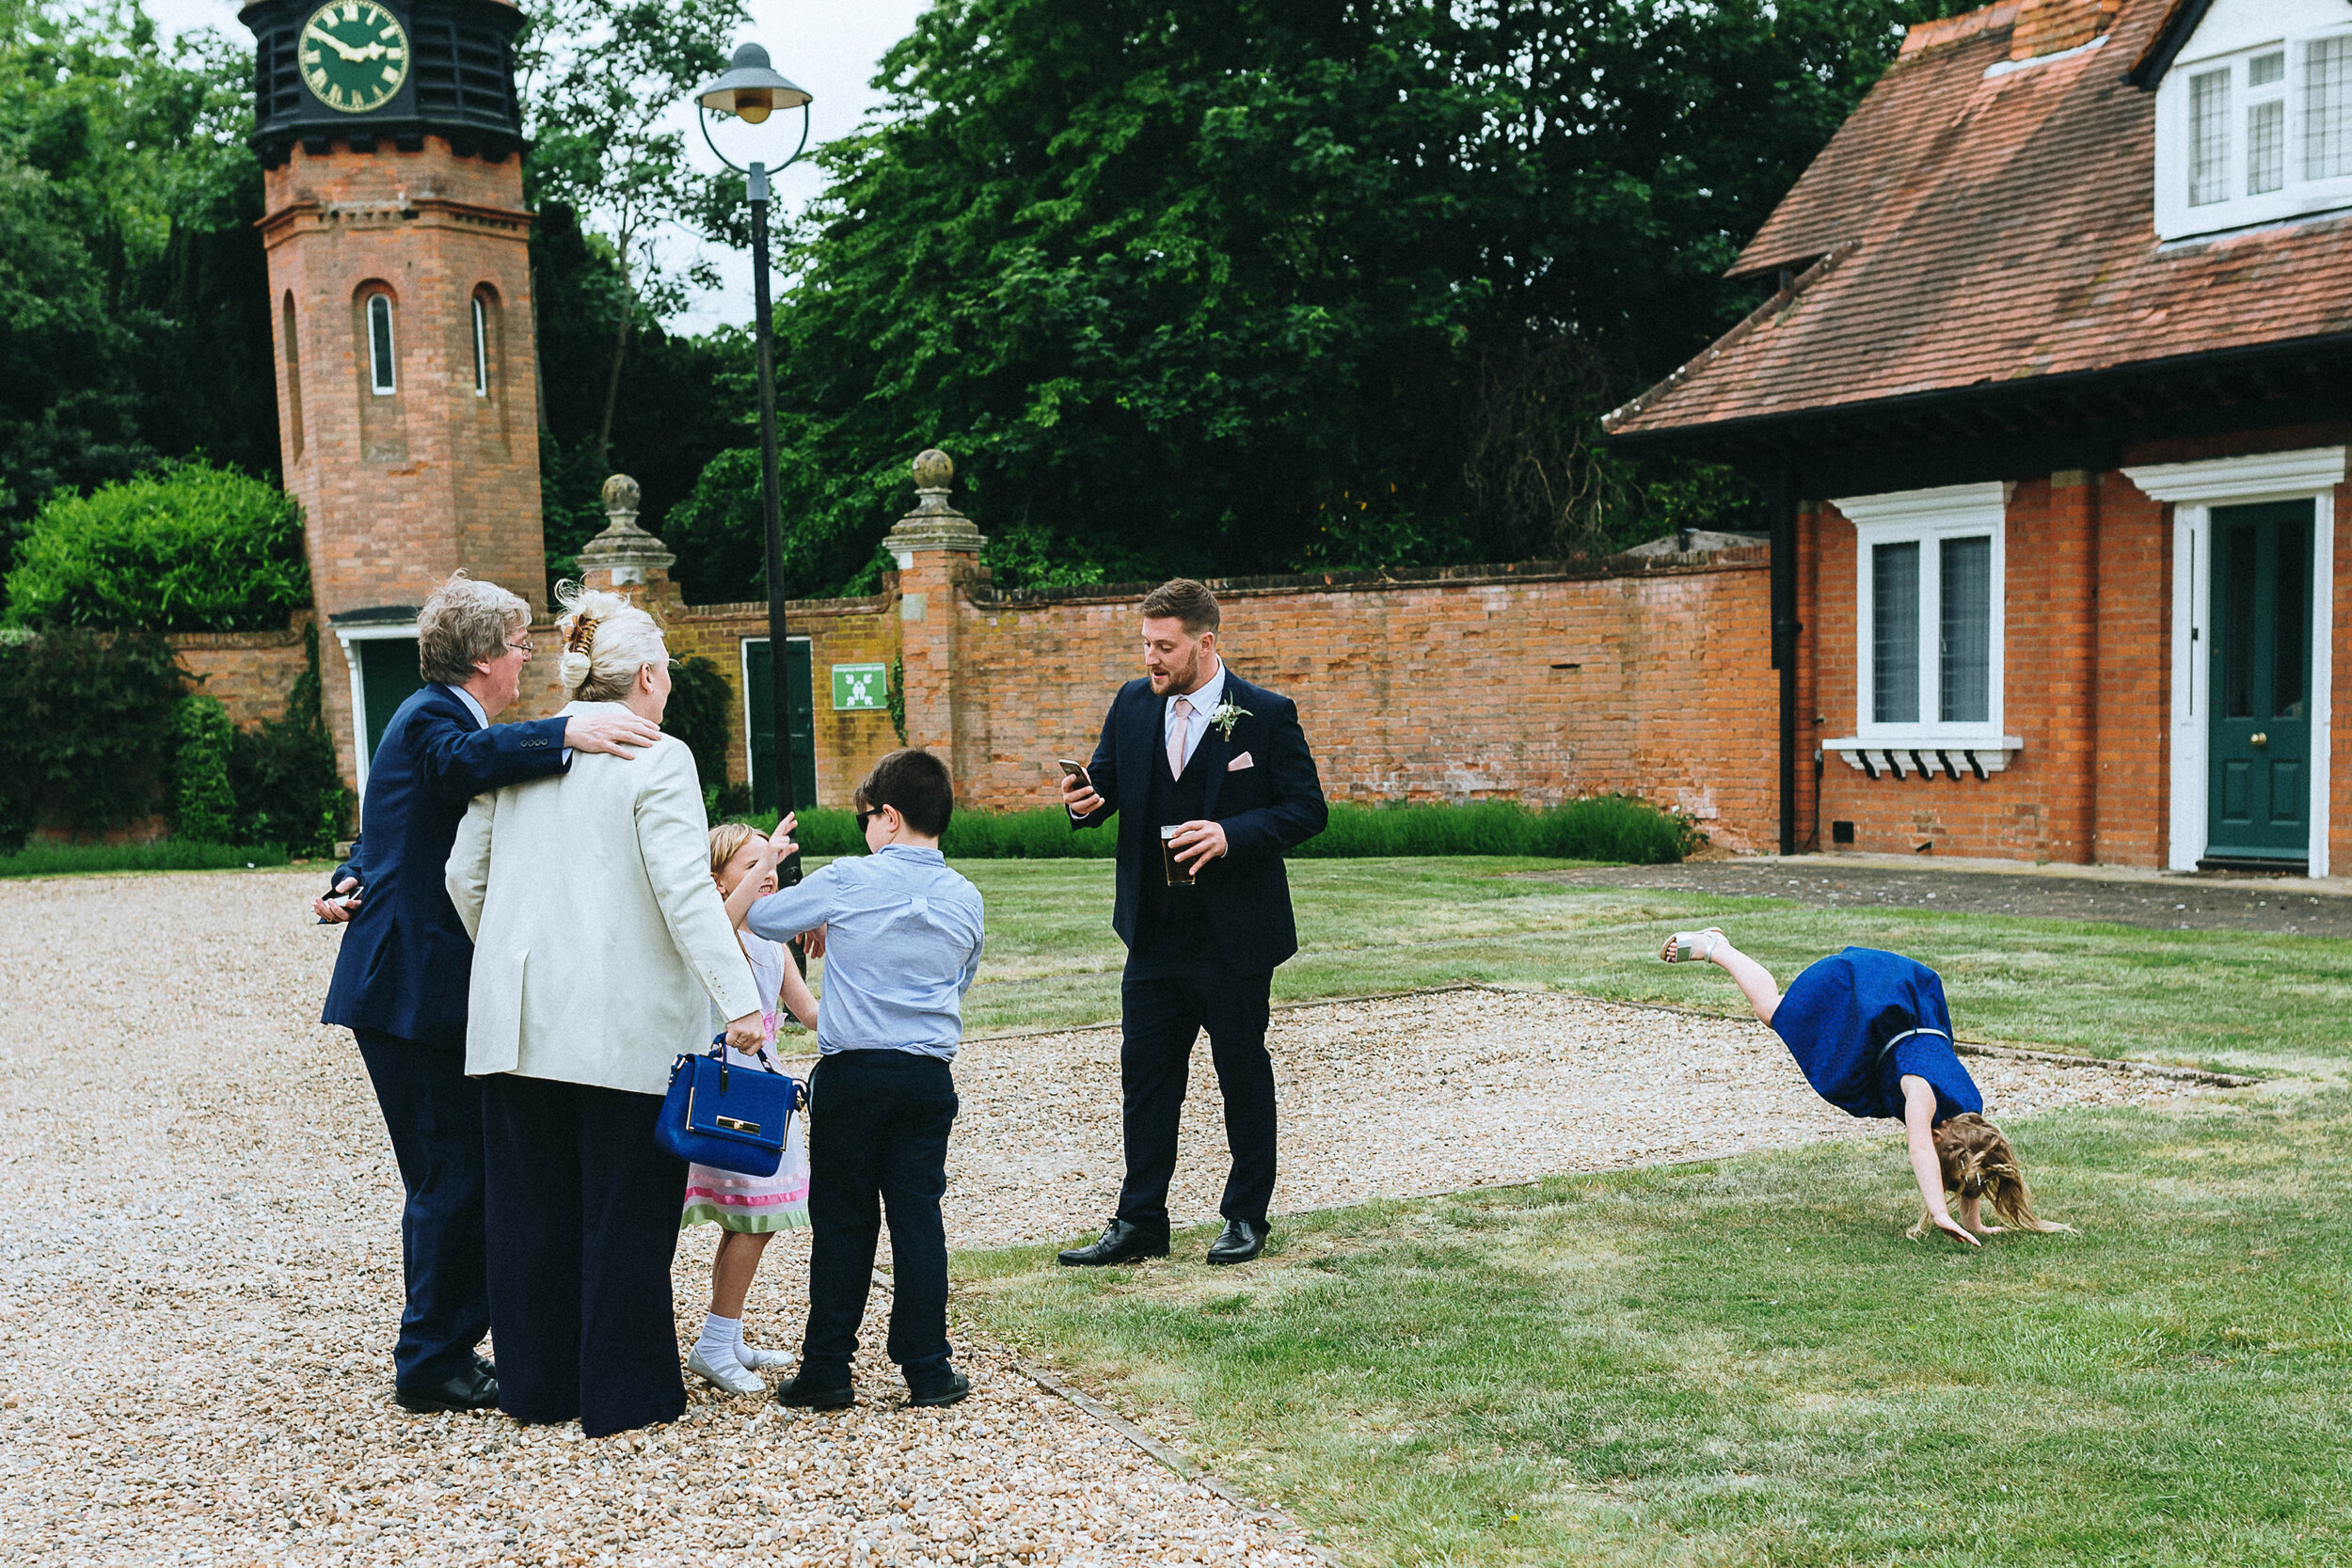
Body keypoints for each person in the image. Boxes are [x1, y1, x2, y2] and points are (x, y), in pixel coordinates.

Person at [314, 571, 660, 1415]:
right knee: (448, 1178)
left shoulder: (428, 722)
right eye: (516, 645)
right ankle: (432, 1361)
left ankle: (453, 1342)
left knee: (457, 1171)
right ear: (480, 660)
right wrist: (567, 728)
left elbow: (391, 831)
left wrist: (347, 875)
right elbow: (460, 765)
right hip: (413, 993)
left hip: (412, 984)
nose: (526, 657)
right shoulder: (438, 719)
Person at [444, 584, 766, 1438]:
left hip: (515, 1021)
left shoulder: (524, 747)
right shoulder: (659, 756)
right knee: (625, 1212)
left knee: (530, 1213)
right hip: (620, 1028)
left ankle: (539, 1387)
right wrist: (741, 1001)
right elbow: (685, 890)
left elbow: (461, 879)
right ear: (649, 677)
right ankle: (624, 1392)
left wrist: (512, 951)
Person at [1056, 578, 1327, 1269]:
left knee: (1241, 1072)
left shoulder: (1264, 714)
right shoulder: (1131, 703)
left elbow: (1307, 809)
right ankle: (1140, 1220)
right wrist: (1083, 800)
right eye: (1146, 643)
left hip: (1232, 938)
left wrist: (1232, 834)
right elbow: (1106, 788)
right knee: (1145, 1079)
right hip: (1152, 934)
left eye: (1165, 646)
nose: (1152, 657)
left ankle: (1245, 1215)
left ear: (1206, 644)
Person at [745, 748, 984, 1411]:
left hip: (853, 1074)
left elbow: (762, 920)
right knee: (917, 1217)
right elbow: (960, 977)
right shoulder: (966, 896)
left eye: (867, 817)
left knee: (845, 1219)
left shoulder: (849, 879)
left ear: (890, 815)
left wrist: (775, 867)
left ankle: (828, 1367)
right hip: (927, 1077)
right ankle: (928, 1367)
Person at [1661, 929, 2069, 1244]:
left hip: (1897, 1005)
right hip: (1860, 995)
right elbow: (1920, 1148)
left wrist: (1973, 1222)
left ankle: (1719, 946)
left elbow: (1971, 1157)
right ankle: (1716, 947)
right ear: (1937, 1131)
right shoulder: (1922, 1096)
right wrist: (1937, 1212)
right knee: (1775, 1010)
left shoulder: (1969, 1118)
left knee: (1779, 1011)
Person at [681, 821, 819, 1396]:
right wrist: (770, 864)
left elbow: (810, 1014)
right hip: (725, 1092)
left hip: (764, 1090)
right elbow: (718, 926)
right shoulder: (718, 930)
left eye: (772, 865)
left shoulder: (771, 942)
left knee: (750, 1218)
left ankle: (724, 1335)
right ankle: (716, 1340)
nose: (768, 875)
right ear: (716, 881)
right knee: (755, 1218)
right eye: (751, 866)